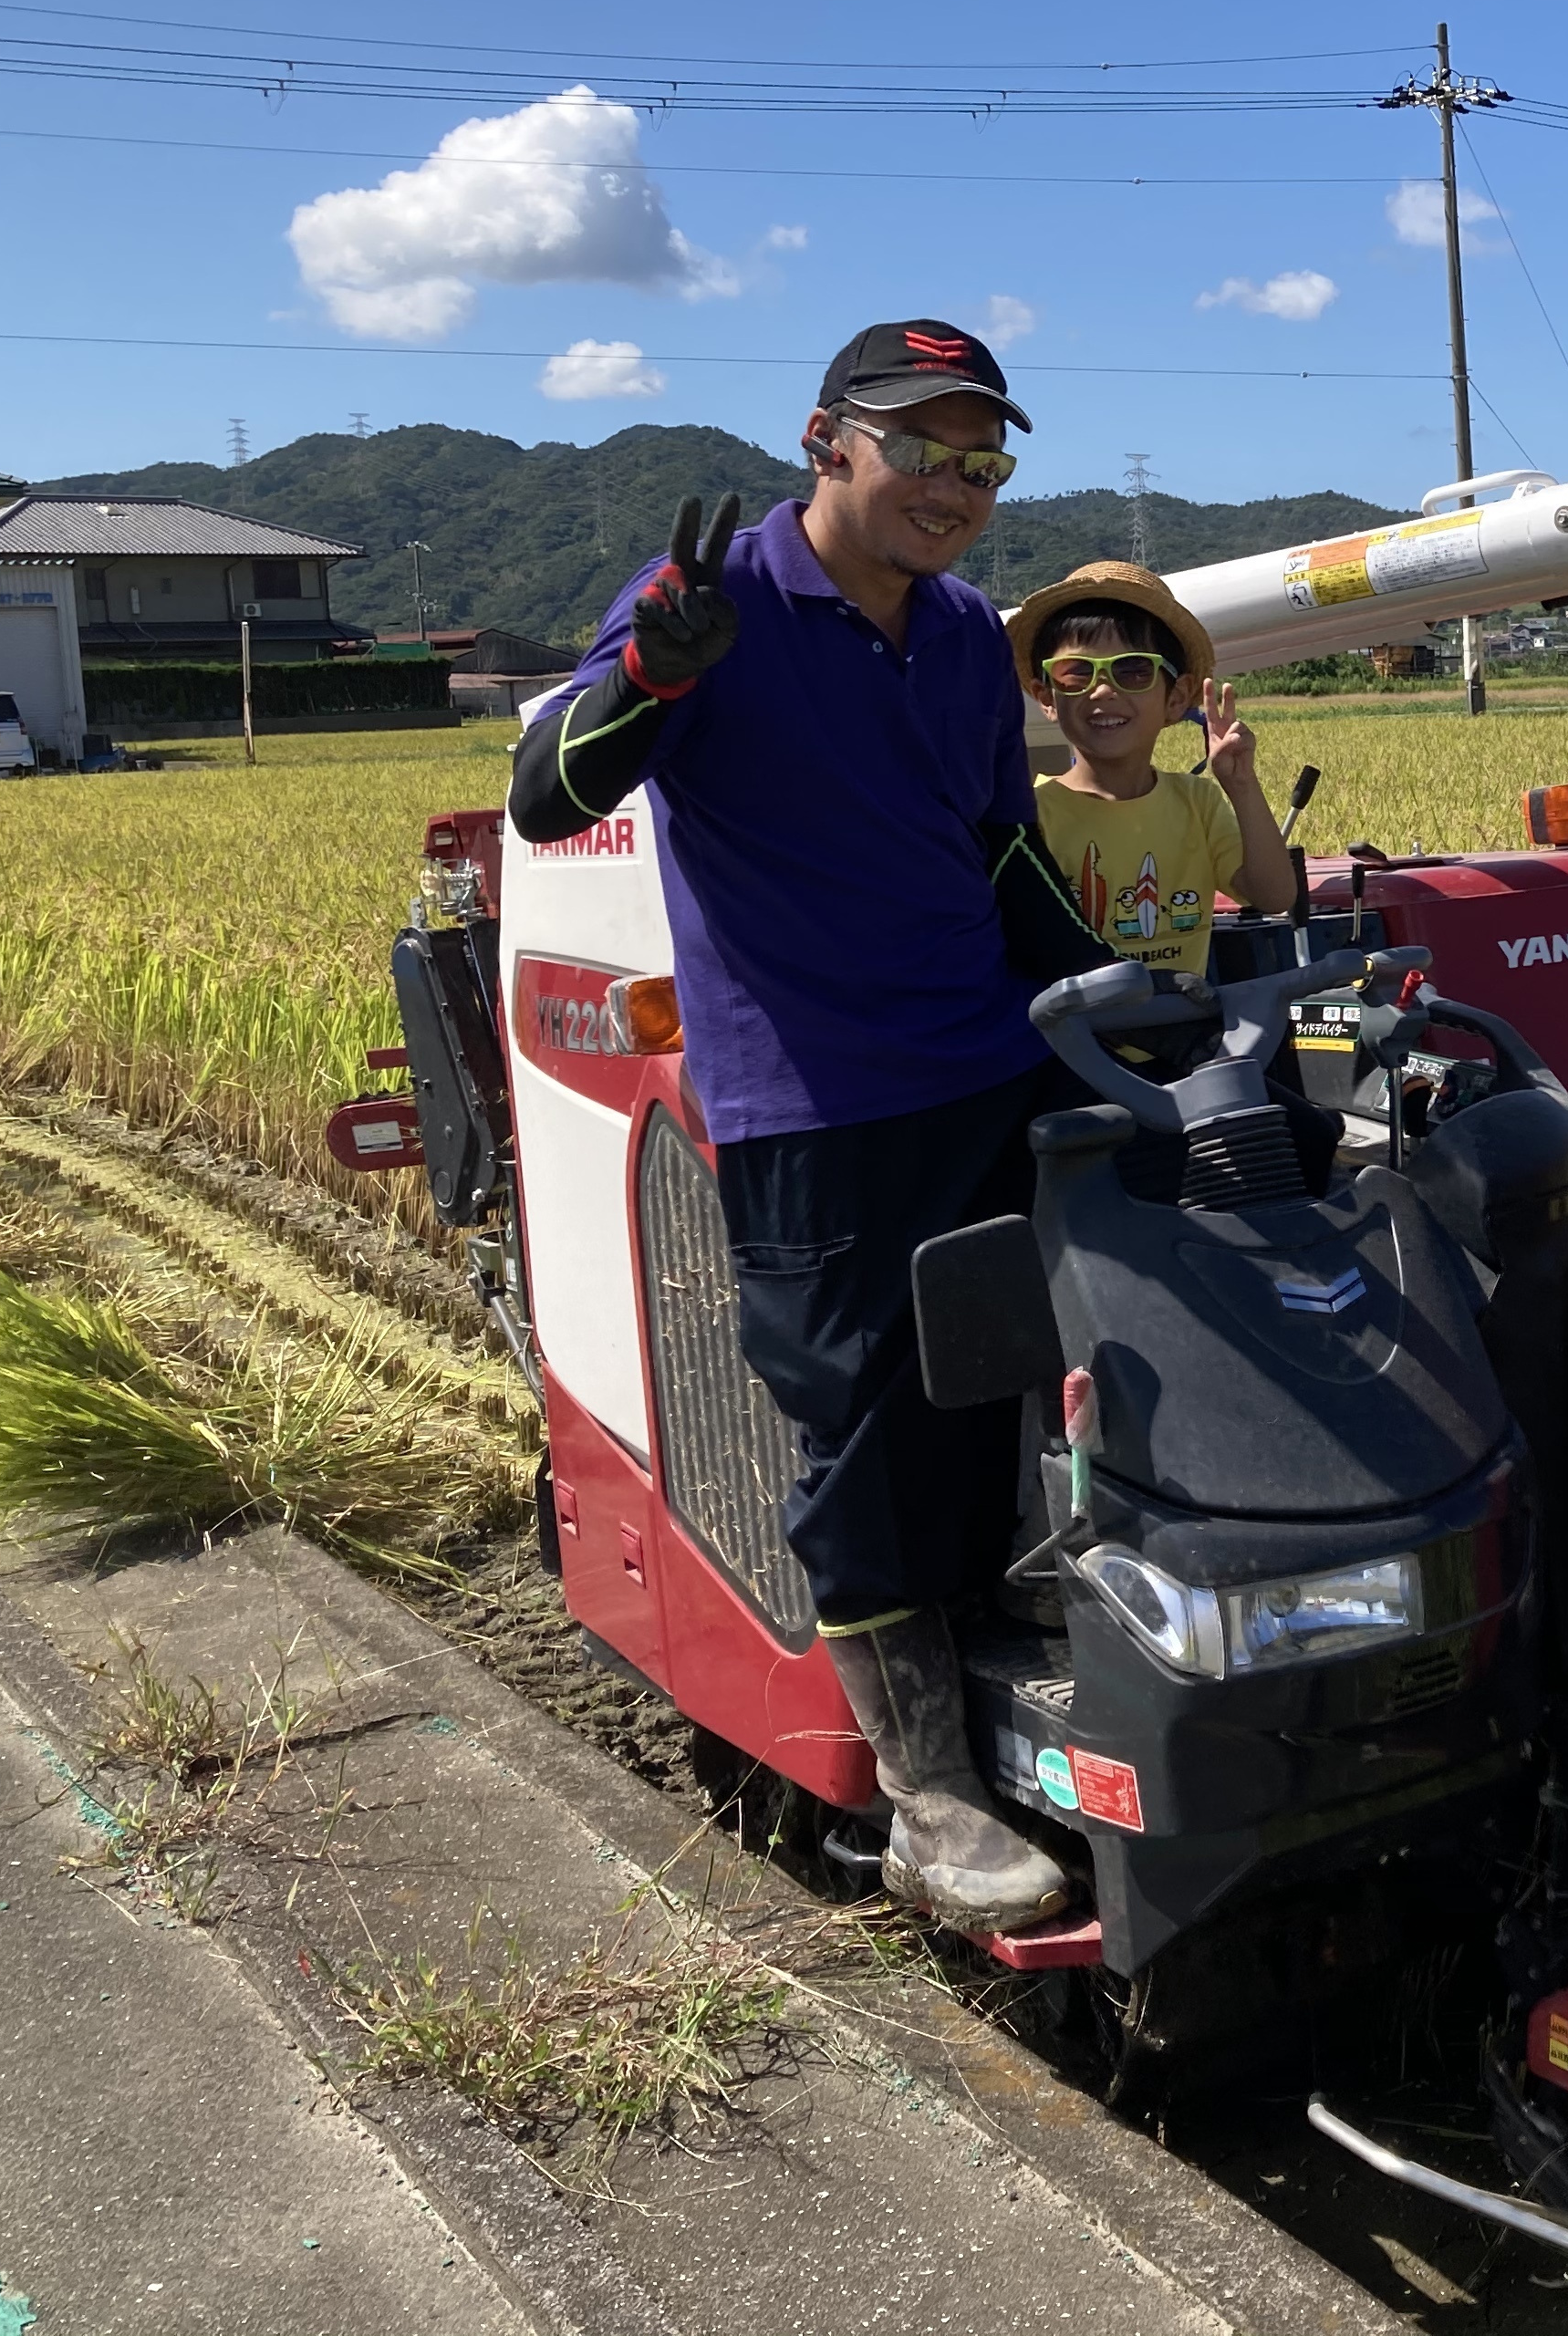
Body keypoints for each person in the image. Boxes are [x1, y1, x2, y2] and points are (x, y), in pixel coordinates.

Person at [505, 317, 1113, 1931]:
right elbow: (544, 794)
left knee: (1076, 1339)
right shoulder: (710, 606)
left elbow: (994, 849)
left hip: (989, 1056)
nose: (954, 482)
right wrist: (650, 672)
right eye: (921, 443)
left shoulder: (970, 631)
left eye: (984, 458)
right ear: (825, 438)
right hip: (816, 1093)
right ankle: (923, 1791)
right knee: (862, 1420)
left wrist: (1116, 998)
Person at [1006, 561, 1289, 971]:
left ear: (1176, 698)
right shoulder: (1031, 818)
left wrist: (1241, 785)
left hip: (1181, 1027)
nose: (1103, 689)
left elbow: (1274, 896)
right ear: (1046, 697)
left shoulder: (1198, 803)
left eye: (1133, 670)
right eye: (1076, 674)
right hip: (1071, 1034)